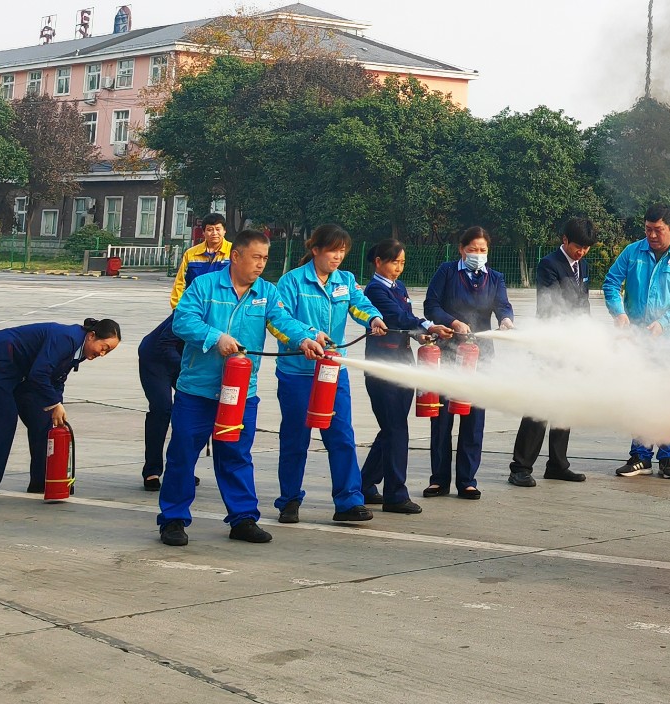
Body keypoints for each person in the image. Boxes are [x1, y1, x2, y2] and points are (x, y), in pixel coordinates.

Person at [158, 230, 326, 546]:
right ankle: (173, 520)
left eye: (265, 258)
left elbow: (283, 321)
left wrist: (304, 338)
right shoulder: (205, 286)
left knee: (236, 455)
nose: (261, 264)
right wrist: (215, 337)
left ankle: (243, 518)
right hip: (198, 391)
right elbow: (182, 321)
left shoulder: (266, 292)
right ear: (236, 256)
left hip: (240, 393)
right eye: (256, 257)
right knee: (183, 454)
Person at [273, 224, 387, 524]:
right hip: (297, 374)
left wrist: (373, 319)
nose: (338, 257)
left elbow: (360, 305)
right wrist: (306, 336)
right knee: (295, 438)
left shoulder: (345, 281)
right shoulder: (291, 282)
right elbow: (279, 319)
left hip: (333, 373)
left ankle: (348, 501)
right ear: (316, 250)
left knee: (341, 436)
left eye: (342, 251)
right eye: (333, 250)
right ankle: (289, 501)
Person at [0, 317, 121, 505]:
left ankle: (42, 481)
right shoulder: (67, 338)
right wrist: (55, 403)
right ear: (91, 336)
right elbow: (40, 373)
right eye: (104, 347)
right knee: (4, 424)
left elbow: (57, 378)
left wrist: (57, 405)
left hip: (22, 371)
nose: (103, 354)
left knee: (45, 422)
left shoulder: (81, 349)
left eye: (108, 352)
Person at [605, 203, 670, 479]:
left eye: (658, 230)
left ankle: (668, 459)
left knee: (667, 397)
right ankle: (640, 456)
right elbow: (611, 283)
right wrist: (619, 313)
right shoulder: (632, 252)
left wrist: (664, 323)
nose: (652, 235)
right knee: (641, 395)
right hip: (637, 339)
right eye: (648, 229)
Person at [139, 212, 231, 491]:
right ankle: (152, 471)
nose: (214, 233)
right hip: (158, 359)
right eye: (209, 229)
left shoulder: (232, 256)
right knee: (162, 410)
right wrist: (185, 313)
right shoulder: (187, 318)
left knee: (190, 416)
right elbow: (179, 288)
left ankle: (180, 471)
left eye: (218, 229)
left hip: (184, 363)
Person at [423, 226, 515, 500]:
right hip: (448, 353)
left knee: (473, 419)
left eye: (482, 250)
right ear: (461, 249)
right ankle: (439, 480)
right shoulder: (447, 272)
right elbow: (431, 305)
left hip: (480, 356)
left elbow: (503, 305)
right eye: (472, 249)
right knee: (442, 419)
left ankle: (467, 480)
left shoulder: (495, 278)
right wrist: (453, 322)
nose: (478, 254)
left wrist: (506, 320)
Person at [360, 239, 452, 512]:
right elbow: (397, 317)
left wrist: (420, 335)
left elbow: (406, 319)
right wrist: (429, 325)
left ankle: (364, 484)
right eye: (394, 262)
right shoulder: (375, 290)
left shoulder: (398, 287)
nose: (399, 268)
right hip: (383, 368)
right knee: (397, 430)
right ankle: (395, 495)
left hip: (404, 362)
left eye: (402, 263)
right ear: (379, 262)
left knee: (392, 428)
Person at [509, 217, 596, 487]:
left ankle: (558, 464)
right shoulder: (549, 264)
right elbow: (550, 306)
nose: (581, 252)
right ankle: (520, 467)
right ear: (565, 240)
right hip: (550, 344)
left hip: (573, 346)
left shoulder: (583, 265)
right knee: (540, 404)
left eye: (586, 248)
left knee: (564, 405)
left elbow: (583, 303)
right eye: (578, 246)